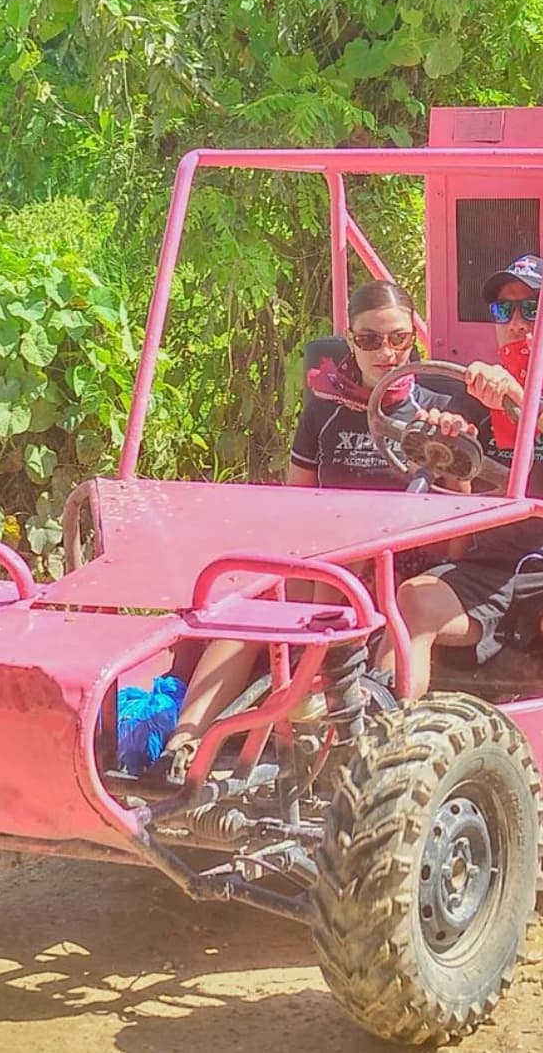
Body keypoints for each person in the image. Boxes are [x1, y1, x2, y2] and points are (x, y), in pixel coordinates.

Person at [164, 279, 449, 751]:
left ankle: (321, 710)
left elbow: (459, 529)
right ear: (350, 340)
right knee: (255, 602)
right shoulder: (326, 409)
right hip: (331, 561)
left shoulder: (436, 411)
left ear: (413, 338)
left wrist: (448, 452)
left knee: (342, 572)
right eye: (370, 340)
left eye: (399, 339)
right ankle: (185, 741)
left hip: (402, 565)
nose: (387, 352)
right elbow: (297, 505)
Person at [394, 254, 543, 698]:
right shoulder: (474, 401)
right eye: (506, 311)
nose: (520, 322)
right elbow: (447, 487)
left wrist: (524, 401)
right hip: (486, 572)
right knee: (412, 599)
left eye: (536, 309)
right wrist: (444, 442)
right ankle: (382, 741)